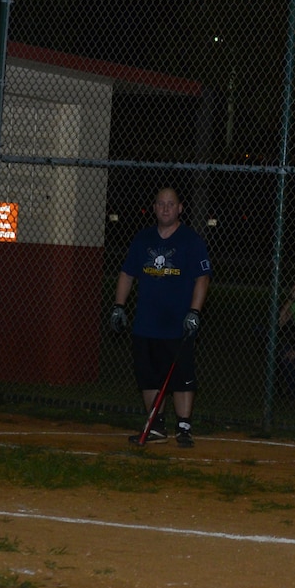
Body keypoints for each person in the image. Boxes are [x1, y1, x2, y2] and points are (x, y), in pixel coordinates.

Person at [110, 187, 210, 448]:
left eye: (171, 204)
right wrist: (119, 306)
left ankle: (184, 427)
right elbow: (127, 274)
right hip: (146, 323)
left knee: (181, 376)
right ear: (154, 208)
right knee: (149, 376)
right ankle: (156, 426)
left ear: (180, 208)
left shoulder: (190, 240)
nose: (165, 208)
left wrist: (194, 311)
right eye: (160, 204)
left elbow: (202, 278)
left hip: (177, 324)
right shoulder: (143, 239)